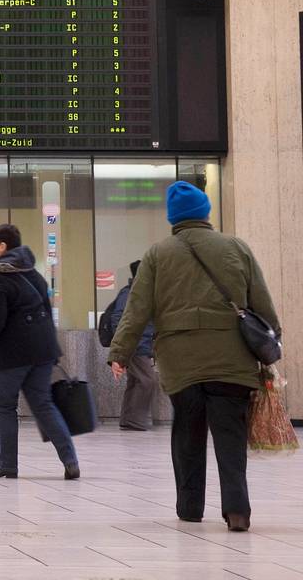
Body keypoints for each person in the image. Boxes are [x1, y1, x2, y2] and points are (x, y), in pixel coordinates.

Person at [109, 181, 281, 533]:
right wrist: (271, 340)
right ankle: (237, 510)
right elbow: (261, 303)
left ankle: (190, 508)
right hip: (232, 361)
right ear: (205, 213)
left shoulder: (158, 254)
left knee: (187, 431)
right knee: (230, 435)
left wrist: (120, 353)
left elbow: (137, 309)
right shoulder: (236, 247)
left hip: (180, 361)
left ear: (174, 218)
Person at [0, 224, 79, 481]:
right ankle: (70, 460)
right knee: (43, 405)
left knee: (4, 407)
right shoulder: (34, 274)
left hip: (10, 355)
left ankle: (7, 464)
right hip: (41, 352)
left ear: (3, 247)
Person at [103, 260, 158, 431]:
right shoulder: (130, 293)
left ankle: (128, 419)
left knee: (135, 381)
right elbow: (118, 318)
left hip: (140, 343)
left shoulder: (141, 292)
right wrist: (123, 343)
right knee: (148, 380)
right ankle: (135, 419)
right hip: (135, 345)